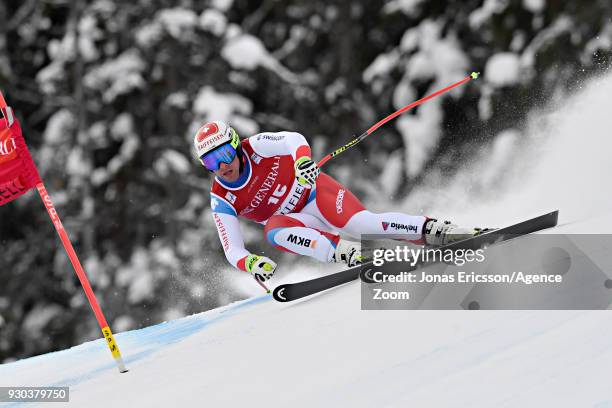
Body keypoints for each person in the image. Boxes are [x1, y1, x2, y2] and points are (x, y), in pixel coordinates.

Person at [194, 121, 480, 282]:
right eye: (210, 161)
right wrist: (251, 263)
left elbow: (292, 139)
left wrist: (302, 161)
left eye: (223, 155)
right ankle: (350, 254)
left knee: (362, 225)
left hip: (317, 194)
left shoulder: (254, 147)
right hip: (297, 221)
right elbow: (233, 249)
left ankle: (436, 231)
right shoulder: (221, 198)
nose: (221, 166)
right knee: (275, 232)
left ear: (234, 145)